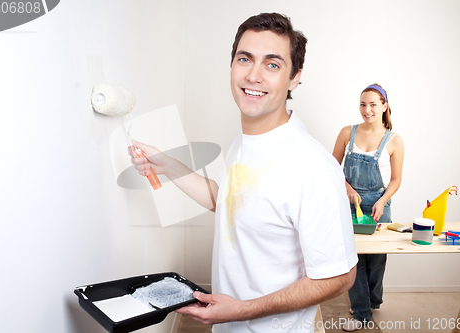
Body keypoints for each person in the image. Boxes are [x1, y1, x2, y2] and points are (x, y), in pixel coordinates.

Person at [129, 13, 357, 332]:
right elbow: (227, 201)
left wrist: (241, 310)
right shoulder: (247, 143)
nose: (253, 75)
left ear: (294, 78)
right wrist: (165, 164)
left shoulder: (312, 166)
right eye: (245, 59)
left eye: (272, 64)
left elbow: (340, 276)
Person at [332, 84, 404, 331]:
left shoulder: (394, 141)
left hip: (379, 205)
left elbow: (396, 180)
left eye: (373, 104)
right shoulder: (346, 133)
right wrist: (347, 189)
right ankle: (362, 313)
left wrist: (382, 201)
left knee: (376, 260)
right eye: (363, 104)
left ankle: (372, 301)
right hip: (349, 204)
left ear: (384, 105)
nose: (367, 109)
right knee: (354, 260)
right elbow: (331, 171)